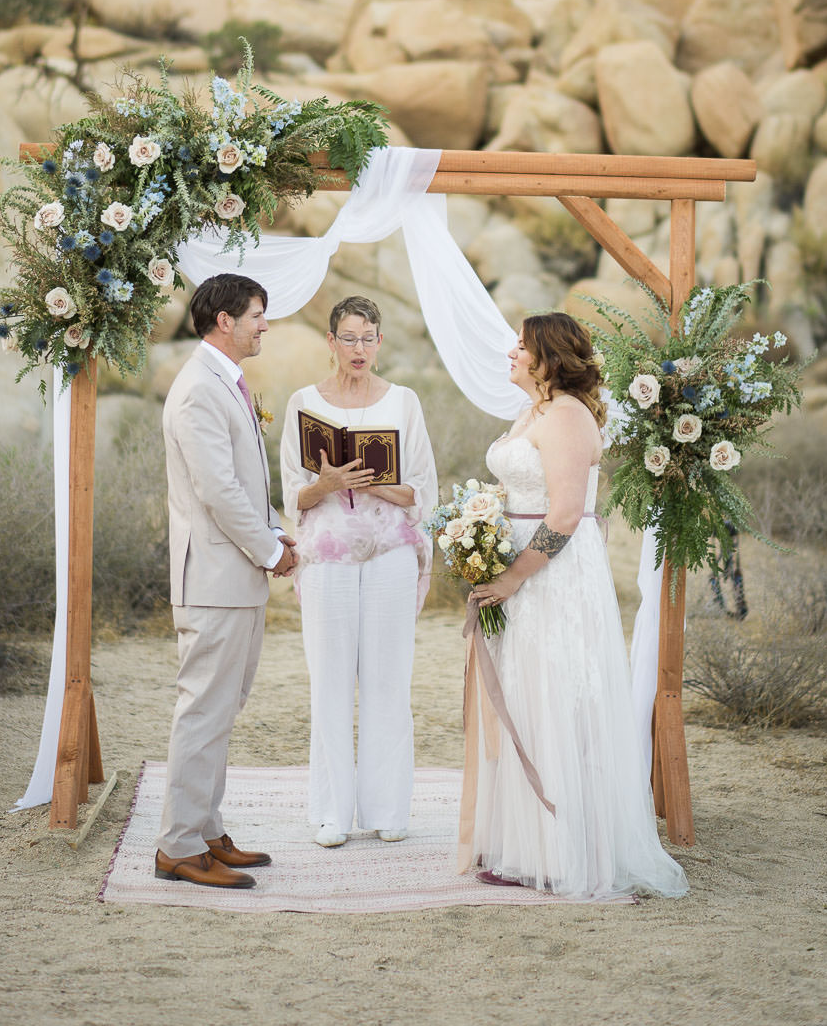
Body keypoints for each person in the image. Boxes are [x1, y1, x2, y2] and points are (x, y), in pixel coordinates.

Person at [465, 312, 689, 900]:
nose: (510, 352)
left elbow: (563, 515)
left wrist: (512, 577)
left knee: (556, 694)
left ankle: (563, 853)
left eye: (521, 345)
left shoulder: (566, 416)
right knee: (527, 693)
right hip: (525, 570)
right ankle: (526, 847)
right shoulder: (533, 411)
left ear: (547, 358)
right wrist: (479, 528)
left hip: (552, 579)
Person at [154, 273, 297, 889]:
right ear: (224, 321)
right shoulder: (197, 392)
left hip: (233, 576)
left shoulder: (226, 384)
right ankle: (178, 847)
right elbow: (216, 491)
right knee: (203, 711)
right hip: (213, 576)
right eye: (257, 315)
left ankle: (206, 830)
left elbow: (244, 483)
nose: (265, 325)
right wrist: (269, 550)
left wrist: (277, 531)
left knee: (221, 709)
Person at [280, 294, 438, 848]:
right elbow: (289, 495)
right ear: (331, 342)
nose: (359, 349)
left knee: (387, 678)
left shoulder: (404, 401)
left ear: (379, 342)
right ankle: (331, 812)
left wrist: (375, 484)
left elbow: (422, 489)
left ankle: (388, 809)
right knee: (329, 679)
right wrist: (325, 485)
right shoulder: (304, 403)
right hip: (327, 556)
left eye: (369, 338)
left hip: (390, 552)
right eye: (349, 338)